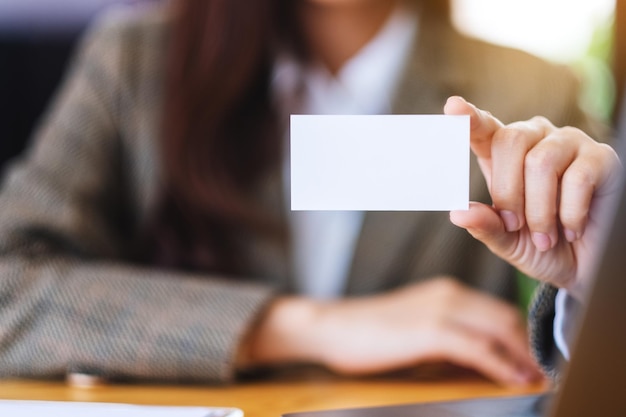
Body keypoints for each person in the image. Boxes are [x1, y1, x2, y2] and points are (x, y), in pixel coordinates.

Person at [0, 0, 614, 385]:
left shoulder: (531, 88)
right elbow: (10, 283)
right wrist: (306, 327)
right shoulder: (134, 63)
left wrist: (598, 280)